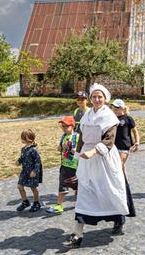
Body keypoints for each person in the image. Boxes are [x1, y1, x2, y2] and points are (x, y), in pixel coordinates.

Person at [63, 83, 135, 248]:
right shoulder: (87, 116)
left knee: (109, 190)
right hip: (87, 160)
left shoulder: (109, 116)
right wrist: (78, 152)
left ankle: (118, 220)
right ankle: (78, 234)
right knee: (84, 194)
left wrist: (94, 152)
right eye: (94, 97)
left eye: (99, 97)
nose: (96, 99)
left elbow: (109, 140)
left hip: (104, 158)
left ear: (105, 99)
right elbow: (82, 137)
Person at [46, 116, 79, 214]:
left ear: (72, 126)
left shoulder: (77, 137)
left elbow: (81, 150)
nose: (63, 128)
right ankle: (59, 206)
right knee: (62, 185)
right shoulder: (63, 136)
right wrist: (60, 148)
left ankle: (80, 202)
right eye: (62, 126)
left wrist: (76, 151)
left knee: (78, 186)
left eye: (66, 126)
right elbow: (60, 148)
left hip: (75, 166)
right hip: (64, 165)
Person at [16, 129, 43, 212]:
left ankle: (36, 203)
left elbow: (38, 162)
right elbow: (22, 157)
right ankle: (25, 202)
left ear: (28, 139)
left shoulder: (34, 150)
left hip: (33, 172)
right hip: (24, 171)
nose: (21, 139)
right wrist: (19, 161)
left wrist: (35, 171)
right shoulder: (23, 149)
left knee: (33, 188)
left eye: (23, 137)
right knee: (20, 186)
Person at [111, 99, 140, 177]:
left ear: (122, 109)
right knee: (120, 167)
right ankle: (125, 183)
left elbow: (135, 131)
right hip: (113, 146)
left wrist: (137, 142)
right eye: (113, 109)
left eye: (116, 109)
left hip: (124, 145)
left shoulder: (128, 118)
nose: (114, 111)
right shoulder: (111, 118)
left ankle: (122, 185)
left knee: (119, 164)